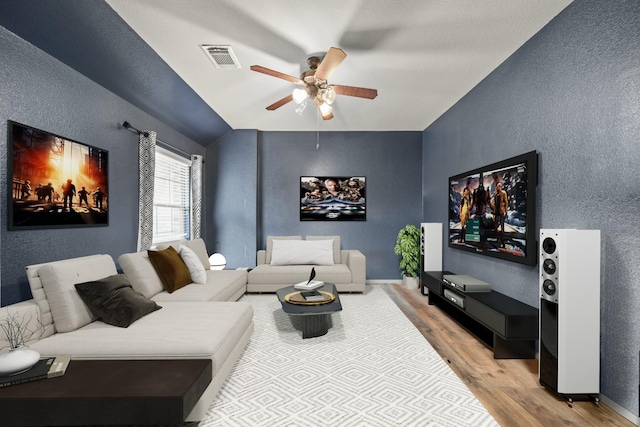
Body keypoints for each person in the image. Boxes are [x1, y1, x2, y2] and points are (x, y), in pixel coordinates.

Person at [490, 182, 508, 246]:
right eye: (498, 186)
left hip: (501, 211)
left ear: (501, 187)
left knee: (502, 226)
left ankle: (503, 240)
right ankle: (496, 238)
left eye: (500, 186)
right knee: (496, 225)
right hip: (496, 212)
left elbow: (506, 202)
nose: (498, 187)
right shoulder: (495, 194)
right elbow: (494, 203)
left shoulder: (503, 193)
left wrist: (506, 210)